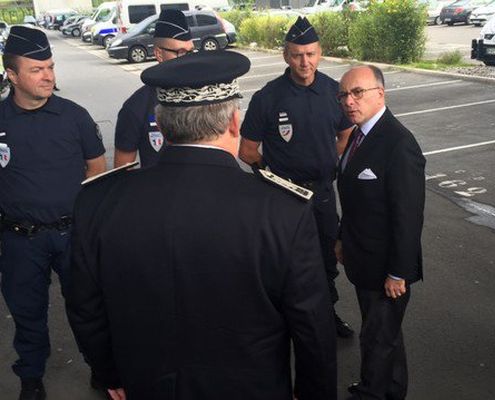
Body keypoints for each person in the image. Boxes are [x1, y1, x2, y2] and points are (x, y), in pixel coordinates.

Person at [66, 50, 337, 400]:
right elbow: (313, 326)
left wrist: (108, 372)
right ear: (234, 123)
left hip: (149, 385)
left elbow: (84, 305)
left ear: (161, 127)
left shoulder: (98, 202)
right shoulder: (283, 210)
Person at [0, 26, 106, 400]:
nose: (48, 76)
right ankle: (31, 378)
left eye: (50, 67)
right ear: (12, 75)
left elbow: (97, 169)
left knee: (89, 308)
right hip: (18, 239)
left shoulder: (73, 116)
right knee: (27, 313)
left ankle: (102, 369)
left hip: (71, 234)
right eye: (36, 69)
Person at [239, 16, 355, 337]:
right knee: (286, 263)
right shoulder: (268, 97)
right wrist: (273, 179)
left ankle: (326, 316)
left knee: (326, 259)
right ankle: (285, 322)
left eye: (311, 54)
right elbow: (247, 151)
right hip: (284, 198)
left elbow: (345, 136)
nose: (304, 62)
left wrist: (333, 161)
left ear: (320, 53)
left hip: (321, 195)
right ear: (285, 56)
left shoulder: (335, 92)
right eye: (297, 55)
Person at [336, 65, 425, 400]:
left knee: (377, 338)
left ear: (380, 93)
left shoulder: (398, 143)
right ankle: (390, 388)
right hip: (364, 260)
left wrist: (398, 272)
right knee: (385, 335)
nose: (348, 101)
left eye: (357, 92)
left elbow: (408, 216)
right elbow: (356, 200)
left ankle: (373, 393)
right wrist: (343, 237)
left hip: (387, 268)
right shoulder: (359, 136)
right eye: (343, 94)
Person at [113, 9, 195, 168]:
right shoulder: (136, 106)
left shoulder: (206, 96)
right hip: (157, 192)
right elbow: (122, 172)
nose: (188, 60)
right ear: (159, 53)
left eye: (191, 52)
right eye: (180, 52)